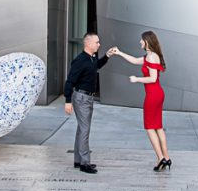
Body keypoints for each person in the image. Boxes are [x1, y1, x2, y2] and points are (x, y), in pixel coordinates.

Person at [108, 31, 171, 171]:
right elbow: (135, 60)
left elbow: (153, 78)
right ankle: (166, 157)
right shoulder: (150, 56)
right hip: (157, 94)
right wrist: (119, 53)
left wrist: (137, 79)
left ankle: (160, 158)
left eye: (142, 40)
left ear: (147, 41)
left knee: (149, 127)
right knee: (158, 127)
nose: (140, 42)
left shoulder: (152, 56)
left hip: (153, 95)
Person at [64, 31, 110, 173]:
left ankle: (78, 161)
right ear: (88, 43)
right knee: (85, 130)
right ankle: (85, 163)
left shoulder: (91, 59)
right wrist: (67, 101)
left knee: (81, 129)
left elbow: (96, 66)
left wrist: (107, 56)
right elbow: (70, 81)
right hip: (81, 98)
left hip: (87, 98)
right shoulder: (80, 61)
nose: (99, 44)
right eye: (97, 42)